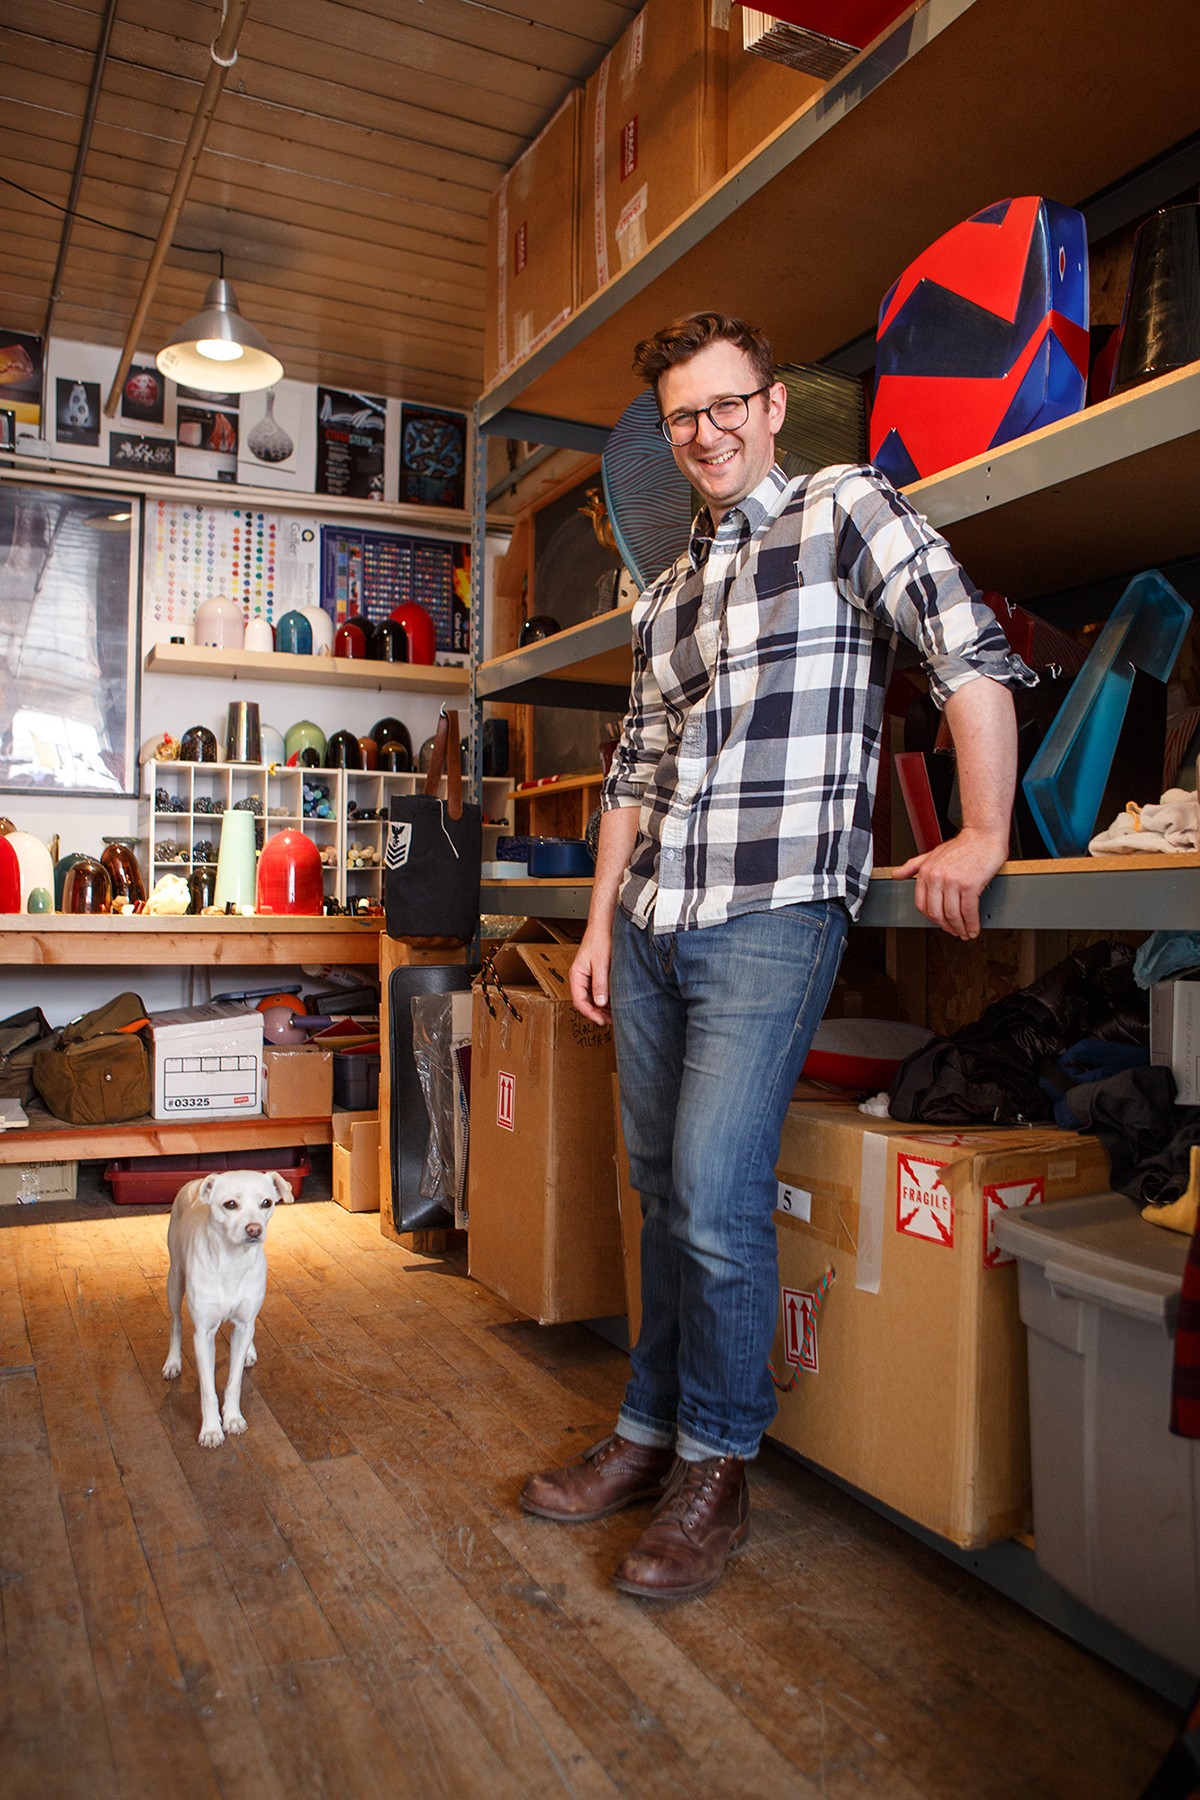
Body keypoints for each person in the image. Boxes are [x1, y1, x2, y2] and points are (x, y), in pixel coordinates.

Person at [519, 311, 1035, 1601]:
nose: (706, 433)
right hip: (655, 922)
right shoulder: (667, 592)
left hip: (773, 911)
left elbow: (964, 645)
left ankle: (716, 1468)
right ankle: (647, 1432)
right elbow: (634, 774)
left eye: (725, 405)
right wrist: (598, 924)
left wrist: (983, 831)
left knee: (713, 1192)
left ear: (771, 406)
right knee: (658, 1189)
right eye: (681, 418)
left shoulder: (843, 510)